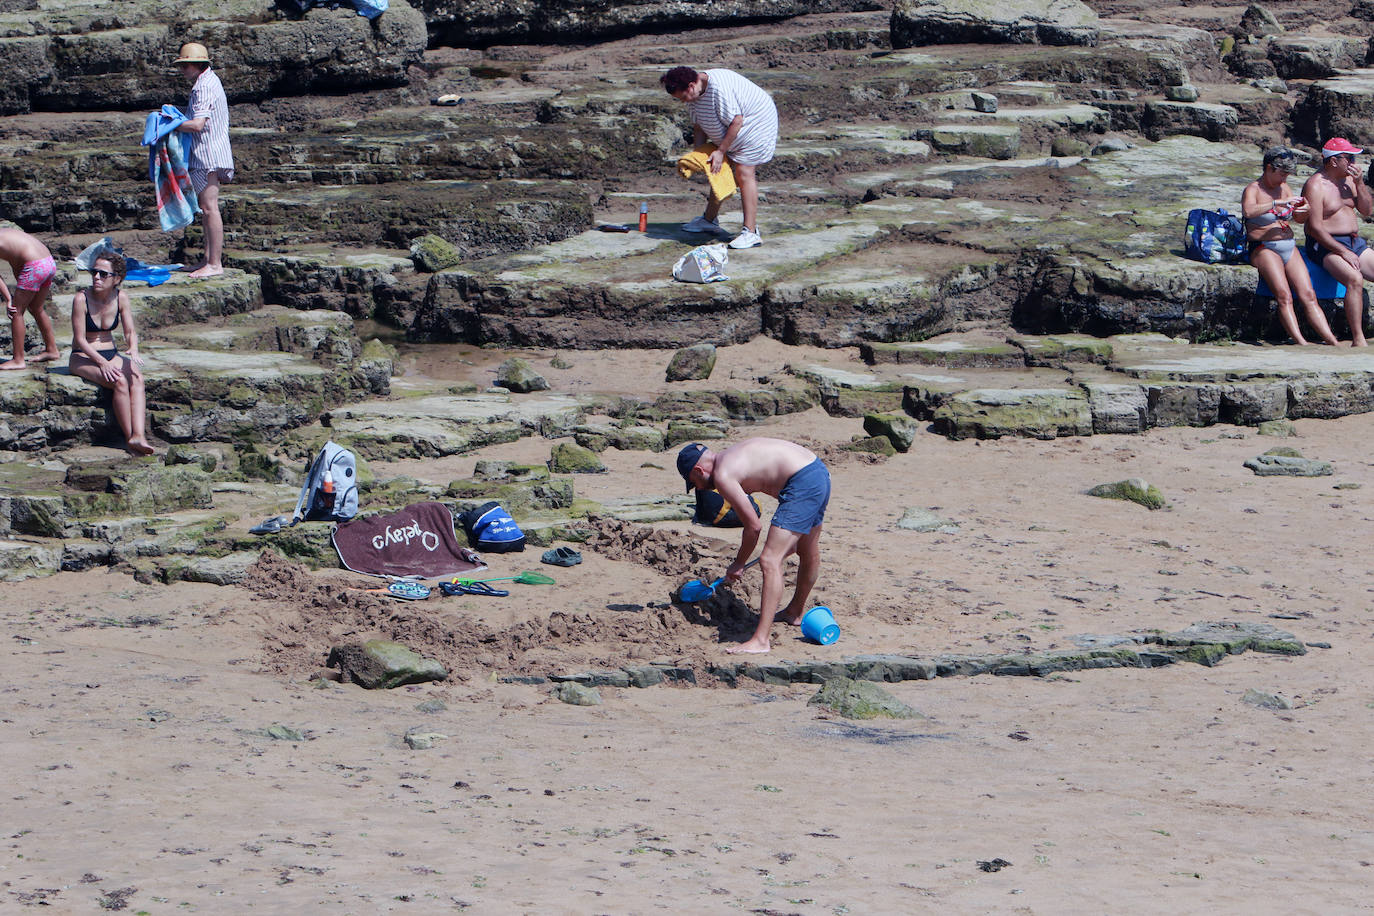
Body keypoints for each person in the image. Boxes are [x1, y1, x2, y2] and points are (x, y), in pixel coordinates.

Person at [678, 438, 830, 654]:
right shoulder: (731, 455)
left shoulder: (723, 475)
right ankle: (794, 612)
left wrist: (738, 563)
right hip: (818, 471)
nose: (700, 488)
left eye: (694, 483)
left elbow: (753, 527)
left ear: (698, 470)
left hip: (802, 482)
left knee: (770, 560)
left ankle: (760, 640)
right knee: (807, 549)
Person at [660, 66, 778, 251]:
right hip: (732, 127)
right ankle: (709, 220)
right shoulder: (694, 95)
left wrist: (721, 151)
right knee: (716, 168)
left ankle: (751, 232)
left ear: (691, 86)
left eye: (682, 97)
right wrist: (700, 156)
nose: (682, 102)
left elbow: (737, 120)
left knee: (743, 172)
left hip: (756, 122)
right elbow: (699, 127)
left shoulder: (718, 89)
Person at [1242, 148, 1339, 346]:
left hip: (1288, 244)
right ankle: (1300, 342)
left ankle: (1332, 341)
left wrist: (1305, 210)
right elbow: (1249, 211)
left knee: (1309, 295)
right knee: (1284, 296)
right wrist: (1277, 202)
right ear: (1269, 168)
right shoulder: (1253, 189)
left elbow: (1298, 219)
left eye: (1287, 174)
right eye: (1282, 173)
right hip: (1263, 247)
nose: (1284, 178)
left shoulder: (1284, 187)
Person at [68, 253, 155, 455]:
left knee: (137, 379)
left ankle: (139, 435)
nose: (96, 277)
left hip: (111, 352)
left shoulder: (121, 297)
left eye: (103, 274)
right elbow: (80, 339)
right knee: (120, 382)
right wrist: (101, 363)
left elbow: (129, 331)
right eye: (94, 272)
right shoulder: (81, 299)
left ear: (117, 278)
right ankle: (129, 439)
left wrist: (133, 348)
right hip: (83, 356)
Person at [1301, 137, 1371, 347]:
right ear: (1333, 161)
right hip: (1325, 244)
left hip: (1354, 241)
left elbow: (1367, 211)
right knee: (1354, 279)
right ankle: (1358, 337)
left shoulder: (1350, 180)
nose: (1352, 163)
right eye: (1348, 158)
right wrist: (1342, 251)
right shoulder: (1315, 185)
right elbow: (1314, 228)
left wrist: (1360, 183)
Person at [173, 42, 234, 279]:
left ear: (197, 64)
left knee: (209, 208)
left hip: (207, 154)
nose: (182, 70)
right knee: (206, 208)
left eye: (185, 65)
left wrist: (168, 124)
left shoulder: (203, 87)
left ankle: (215, 264)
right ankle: (208, 259)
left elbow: (198, 124)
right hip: (209, 151)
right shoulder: (209, 81)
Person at [0, 226, 60, 370]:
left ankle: (18, 360)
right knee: (36, 308)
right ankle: (52, 350)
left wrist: (9, 299)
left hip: (34, 266)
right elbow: (16, 259)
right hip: (48, 262)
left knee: (16, 312)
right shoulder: (5, 231)